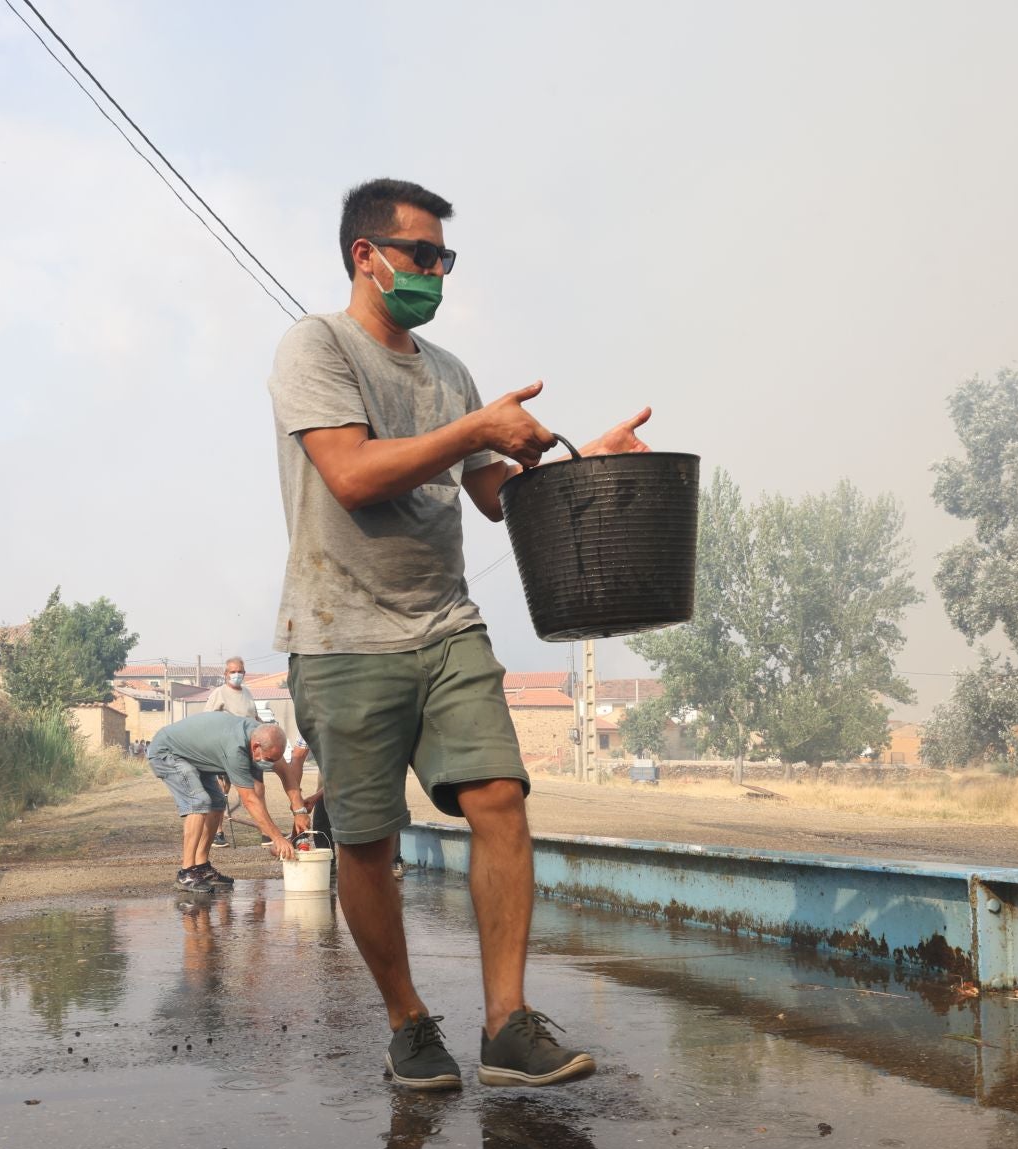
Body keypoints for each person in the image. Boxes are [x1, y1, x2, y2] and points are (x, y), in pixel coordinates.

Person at [268, 177, 650, 1089]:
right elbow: (353, 473)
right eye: (423, 255)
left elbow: (493, 494)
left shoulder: (449, 374)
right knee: (368, 841)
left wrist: (584, 464)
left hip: (445, 624)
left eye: (445, 258)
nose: (437, 272)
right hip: (341, 632)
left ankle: (506, 1023)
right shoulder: (315, 347)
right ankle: (408, 1023)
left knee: (500, 799)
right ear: (366, 255)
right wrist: (476, 425)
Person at [145, 710, 295, 891]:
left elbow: (285, 770)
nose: (270, 763)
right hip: (167, 753)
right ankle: (186, 873)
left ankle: (201, 867)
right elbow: (249, 800)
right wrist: (277, 838)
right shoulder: (236, 749)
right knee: (198, 801)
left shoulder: (262, 733)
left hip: (194, 757)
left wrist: (300, 809)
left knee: (217, 802)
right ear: (256, 747)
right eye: (269, 759)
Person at [203, 657, 257, 847]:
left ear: (244, 673)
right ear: (226, 674)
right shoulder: (219, 693)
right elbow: (207, 720)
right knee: (222, 791)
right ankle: (218, 832)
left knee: (255, 789)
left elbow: (255, 717)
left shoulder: (248, 693)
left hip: (248, 748)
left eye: (239, 671)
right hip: (225, 748)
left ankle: (266, 833)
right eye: (233, 671)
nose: (236, 675)